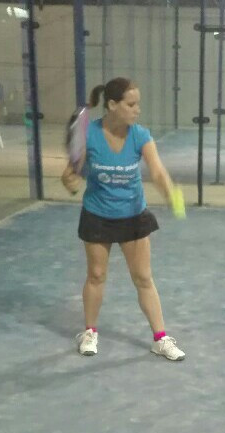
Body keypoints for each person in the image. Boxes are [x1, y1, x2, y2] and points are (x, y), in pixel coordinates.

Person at [72, 77, 185, 361]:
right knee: (96, 275)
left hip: (133, 216)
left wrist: (170, 192)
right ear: (112, 105)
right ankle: (89, 332)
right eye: (131, 104)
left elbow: (157, 171)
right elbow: (74, 170)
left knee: (143, 277)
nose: (137, 110)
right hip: (97, 214)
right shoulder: (89, 134)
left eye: (138, 104)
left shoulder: (140, 135)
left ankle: (160, 339)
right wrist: (69, 177)